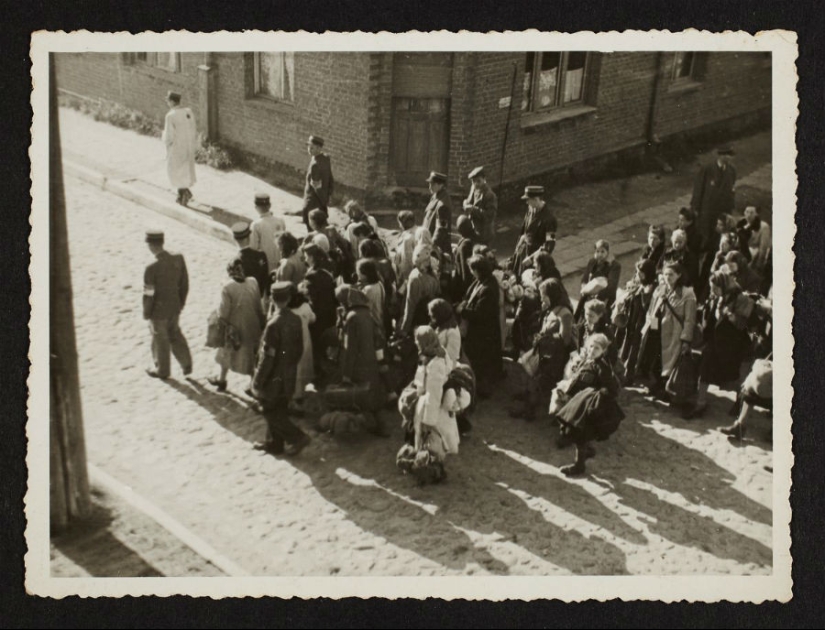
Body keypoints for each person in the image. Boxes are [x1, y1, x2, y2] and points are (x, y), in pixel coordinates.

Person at [396, 326, 463, 484]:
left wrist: (428, 421)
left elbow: (434, 394)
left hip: (432, 410)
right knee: (432, 444)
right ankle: (429, 467)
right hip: (428, 406)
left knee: (432, 443)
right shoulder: (435, 354)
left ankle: (432, 471)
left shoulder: (435, 364)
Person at [683, 271, 755, 419]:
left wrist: (726, 313)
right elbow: (709, 321)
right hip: (716, 342)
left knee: (735, 377)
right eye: (711, 288)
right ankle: (700, 404)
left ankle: (739, 402)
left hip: (735, 344)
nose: (712, 291)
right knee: (705, 369)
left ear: (724, 286)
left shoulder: (741, 298)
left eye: (715, 288)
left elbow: (741, 324)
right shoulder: (716, 298)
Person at [251, 282, 311, 456]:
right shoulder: (295, 319)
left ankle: (298, 437)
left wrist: (258, 380)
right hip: (289, 373)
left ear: (272, 299)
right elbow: (300, 349)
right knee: (279, 408)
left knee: (269, 411)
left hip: (273, 377)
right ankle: (274, 444)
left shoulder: (273, 325)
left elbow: (267, 358)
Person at [553, 333, 625, 477]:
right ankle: (585, 452)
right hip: (580, 402)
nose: (592, 350)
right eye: (591, 346)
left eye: (597, 348)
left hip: (590, 406)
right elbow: (578, 379)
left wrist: (599, 393)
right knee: (578, 433)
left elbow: (612, 389)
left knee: (581, 434)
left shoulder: (602, 367)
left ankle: (579, 465)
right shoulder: (588, 361)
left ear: (603, 351)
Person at [510, 278, 575, 421]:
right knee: (526, 371)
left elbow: (565, 339)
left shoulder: (565, 314)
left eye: (544, 296)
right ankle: (527, 395)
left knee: (537, 380)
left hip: (553, 357)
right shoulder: (551, 309)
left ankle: (530, 410)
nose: (542, 299)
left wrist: (545, 337)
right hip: (544, 350)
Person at [636, 261, 697, 401]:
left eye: (671, 274)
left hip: (675, 333)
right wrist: (650, 330)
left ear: (679, 275)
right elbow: (652, 310)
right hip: (658, 330)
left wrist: (686, 339)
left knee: (670, 361)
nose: (668, 277)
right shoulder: (660, 289)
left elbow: (690, 319)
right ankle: (656, 384)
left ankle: (667, 389)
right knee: (655, 358)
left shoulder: (688, 294)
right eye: (665, 274)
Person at [335, 285, 388, 436]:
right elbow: (378, 339)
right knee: (373, 395)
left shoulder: (351, 317)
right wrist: (381, 360)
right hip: (371, 361)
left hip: (358, 364)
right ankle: (381, 426)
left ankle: (367, 426)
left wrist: (346, 373)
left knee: (361, 396)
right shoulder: (367, 313)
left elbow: (348, 348)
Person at [208, 258, 266, 392]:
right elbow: (258, 304)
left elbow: (224, 313)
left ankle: (222, 380)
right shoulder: (253, 281)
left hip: (235, 326)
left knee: (226, 352)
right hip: (253, 324)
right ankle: (253, 383)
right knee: (252, 355)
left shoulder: (227, 287)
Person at [143, 230, 193, 380]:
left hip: (158, 311)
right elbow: (184, 284)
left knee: (161, 339)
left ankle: (162, 370)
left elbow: (149, 294)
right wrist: (181, 302)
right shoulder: (178, 258)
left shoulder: (151, 268)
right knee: (175, 334)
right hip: (174, 306)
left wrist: (146, 312)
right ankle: (186, 364)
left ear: (150, 245)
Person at [456, 255, 502, 398]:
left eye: (472, 270)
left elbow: (480, 313)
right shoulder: (483, 281)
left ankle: (482, 390)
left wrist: (462, 311)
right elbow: (468, 295)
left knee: (481, 362)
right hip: (480, 331)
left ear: (479, 270)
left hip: (483, 333)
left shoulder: (488, 288)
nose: (471, 273)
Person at [612, 258, 658, 384]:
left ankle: (630, 375)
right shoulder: (639, 282)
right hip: (633, 320)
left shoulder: (656, 287)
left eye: (641, 273)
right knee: (627, 345)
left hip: (644, 324)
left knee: (637, 349)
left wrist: (654, 329)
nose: (637, 275)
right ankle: (622, 372)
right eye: (637, 272)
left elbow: (655, 308)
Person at [300, 243, 338, 376]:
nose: (305, 259)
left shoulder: (311, 276)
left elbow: (310, 298)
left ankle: (318, 371)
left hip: (317, 316)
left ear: (311, 257)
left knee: (315, 344)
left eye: (306, 256)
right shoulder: (327, 268)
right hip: (329, 313)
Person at [691, 145, 737, 254]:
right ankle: (702, 248)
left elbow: (731, 189)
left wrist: (730, 208)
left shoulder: (731, 170)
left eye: (730, 155)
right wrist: (696, 206)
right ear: (720, 156)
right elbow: (698, 188)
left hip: (723, 208)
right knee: (705, 229)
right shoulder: (707, 169)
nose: (729, 158)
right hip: (708, 208)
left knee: (720, 230)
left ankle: (715, 249)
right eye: (727, 155)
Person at [511, 185, 557, 278]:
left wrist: (532, 258)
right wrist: (519, 244)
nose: (527, 202)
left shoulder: (549, 219)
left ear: (536, 199)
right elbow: (524, 230)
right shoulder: (530, 210)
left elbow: (549, 245)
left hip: (536, 259)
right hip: (524, 251)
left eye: (528, 200)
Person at [162, 91, 198, 206]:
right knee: (185, 170)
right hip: (188, 146)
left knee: (175, 170)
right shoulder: (188, 112)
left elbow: (169, 135)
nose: (167, 102)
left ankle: (184, 194)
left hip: (177, 147)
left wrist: (168, 145)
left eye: (168, 100)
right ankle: (181, 195)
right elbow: (193, 128)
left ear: (172, 102)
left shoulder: (170, 115)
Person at [574, 239, 622, 323]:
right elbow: (585, 278)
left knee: (600, 321)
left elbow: (612, 286)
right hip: (588, 295)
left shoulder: (614, 266)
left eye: (602, 252)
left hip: (603, 298)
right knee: (581, 315)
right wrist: (584, 287)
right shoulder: (592, 262)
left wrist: (596, 294)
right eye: (597, 251)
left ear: (607, 252)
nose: (599, 254)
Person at [399, 244, 441, 337]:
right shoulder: (434, 275)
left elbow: (410, 305)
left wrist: (404, 328)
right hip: (429, 317)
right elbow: (438, 293)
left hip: (417, 319)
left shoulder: (415, 277)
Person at [359, 238, 398, 337]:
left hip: (375, 291)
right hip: (386, 291)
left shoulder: (367, 264)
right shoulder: (385, 261)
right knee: (385, 315)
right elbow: (393, 278)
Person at [288, 288, 316, 411]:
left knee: (294, 366)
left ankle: (294, 393)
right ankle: (300, 392)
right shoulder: (305, 306)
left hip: (291, 343)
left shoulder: (287, 311)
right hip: (305, 340)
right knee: (303, 365)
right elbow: (313, 319)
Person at [301, 135, 334, 227]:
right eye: (308, 146)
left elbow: (316, 187)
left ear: (319, 148)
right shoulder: (325, 159)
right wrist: (329, 195)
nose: (309, 149)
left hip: (313, 203)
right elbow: (331, 179)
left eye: (312, 147)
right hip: (322, 201)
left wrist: (323, 201)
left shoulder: (315, 164)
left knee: (313, 229)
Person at [232, 221, 270, 300]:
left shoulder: (235, 262)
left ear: (235, 239)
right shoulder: (262, 255)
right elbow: (265, 279)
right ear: (249, 237)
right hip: (260, 297)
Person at [249, 193, 286, 274]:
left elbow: (253, 247)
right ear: (270, 206)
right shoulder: (280, 220)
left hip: (265, 263)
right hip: (281, 260)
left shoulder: (256, 224)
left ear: (256, 207)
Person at [462, 166, 498, 245]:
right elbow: (468, 201)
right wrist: (465, 204)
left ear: (484, 179)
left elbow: (490, 216)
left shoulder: (490, 195)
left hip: (484, 234)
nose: (476, 184)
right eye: (473, 181)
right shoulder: (474, 189)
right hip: (473, 230)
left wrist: (473, 209)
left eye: (478, 181)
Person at [423, 171, 453, 255]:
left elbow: (441, 228)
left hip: (438, 246)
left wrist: (433, 244)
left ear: (441, 185)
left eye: (432, 184)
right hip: (429, 239)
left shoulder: (443, 205)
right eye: (429, 184)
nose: (429, 187)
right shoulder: (435, 196)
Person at [737, 205, 772, 276]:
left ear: (756, 214)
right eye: (747, 212)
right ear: (744, 213)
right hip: (743, 253)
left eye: (752, 212)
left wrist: (758, 266)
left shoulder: (763, 227)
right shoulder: (742, 224)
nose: (749, 215)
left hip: (756, 255)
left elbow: (763, 248)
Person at [451, 215, 478, 302]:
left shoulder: (465, 245)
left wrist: (466, 291)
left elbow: (465, 270)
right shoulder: (473, 238)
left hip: (462, 285)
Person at [393, 210, 418, 287]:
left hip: (407, 276)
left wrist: (404, 280)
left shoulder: (408, 238)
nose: (400, 226)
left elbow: (407, 261)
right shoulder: (419, 231)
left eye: (400, 223)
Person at [356, 258, 384, 327]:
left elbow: (364, 311)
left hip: (372, 324)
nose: (358, 275)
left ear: (365, 274)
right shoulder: (379, 283)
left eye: (359, 272)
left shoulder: (369, 289)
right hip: (379, 320)